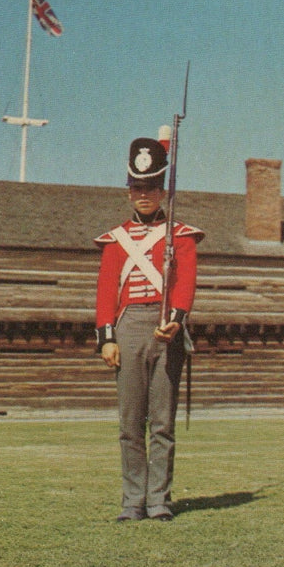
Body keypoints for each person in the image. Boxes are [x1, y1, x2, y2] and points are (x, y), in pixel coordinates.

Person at [95, 131, 204, 522]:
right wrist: (107, 337)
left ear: (162, 190)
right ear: (128, 191)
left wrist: (175, 321)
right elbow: (107, 291)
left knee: (162, 421)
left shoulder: (181, 235)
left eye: (152, 187)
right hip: (128, 327)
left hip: (164, 327)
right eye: (138, 187)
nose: (144, 194)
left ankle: (159, 499)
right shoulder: (116, 240)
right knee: (130, 422)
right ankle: (132, 500)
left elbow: (186, 283)